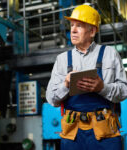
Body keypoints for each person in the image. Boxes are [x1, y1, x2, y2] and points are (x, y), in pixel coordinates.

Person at [46, 4, 127, 150]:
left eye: (79, 26)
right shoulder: (62, 60)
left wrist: (102, 88)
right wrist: (65, 84)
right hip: (73, 135)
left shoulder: (110, 54)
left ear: (92, 31)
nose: (73, 30)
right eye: (71, 25)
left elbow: (124, 91)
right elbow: (52, 99)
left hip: (105, 134)